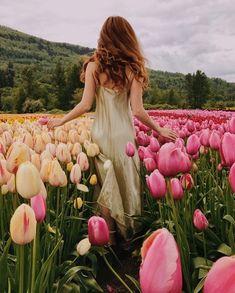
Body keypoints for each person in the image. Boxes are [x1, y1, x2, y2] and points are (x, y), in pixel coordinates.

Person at [48, 16, 177, 245]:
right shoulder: (133, 69)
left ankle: (108, 238)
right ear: (127, 38)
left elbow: (85, 105)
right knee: (125, 181)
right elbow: (137, 111)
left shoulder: (93, 66)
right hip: (123, 136)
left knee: (105, 184)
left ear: (103, 37)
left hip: (100, 135)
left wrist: (61, 121)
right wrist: (159, 128)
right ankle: (130, 234)